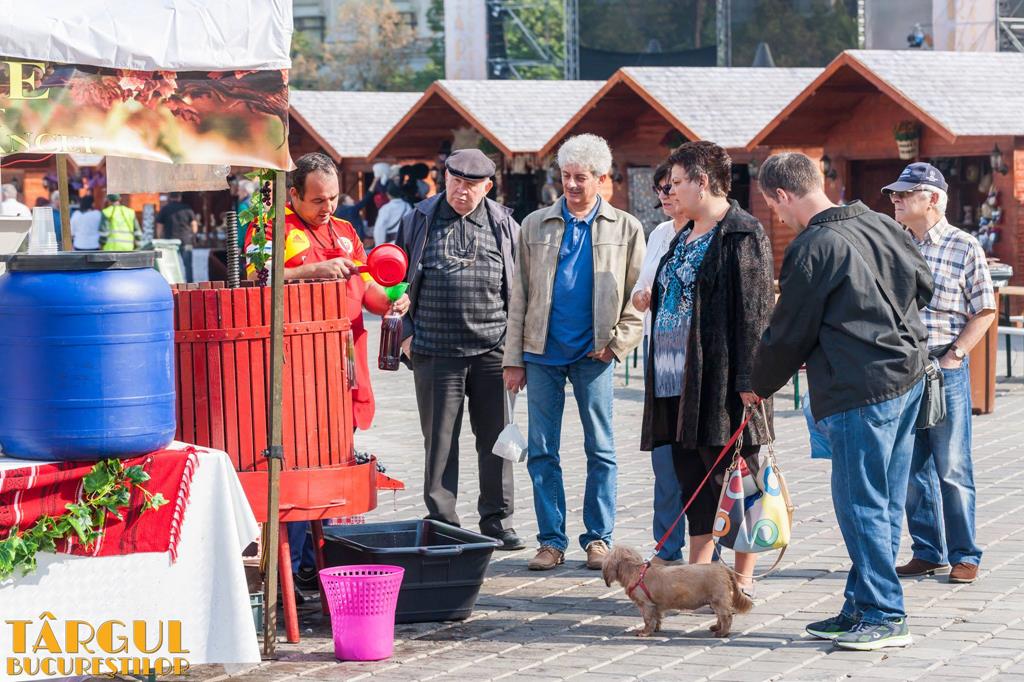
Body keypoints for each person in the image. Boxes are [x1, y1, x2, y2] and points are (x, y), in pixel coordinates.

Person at [751, 152, 933, 651]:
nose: (777, 217)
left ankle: (885, 614)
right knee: (882, 501)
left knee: (860, 505)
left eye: (774, 206)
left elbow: (789, 332)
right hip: (907, 374)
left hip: (860, 388)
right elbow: (924, 285)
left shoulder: (812, 246)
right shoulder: (881, 222)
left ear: (783, 194)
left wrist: (757, 384)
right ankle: (861, 605)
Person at [503, 133, 645, 571]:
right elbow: (519, 295)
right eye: (565, 176)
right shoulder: (534, 224)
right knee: (542, 450)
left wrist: (617, 344)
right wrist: (513, 358)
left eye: (581, 177)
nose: (571, 185)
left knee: (600, 449)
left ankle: (598, 539)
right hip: (541, 353)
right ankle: (551, 540)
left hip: (594, 354)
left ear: (601, 178)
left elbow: (639, 296)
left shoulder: (626, 227)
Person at [638, 141, 774, 593]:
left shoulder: (741, 233)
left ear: (702, 182)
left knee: (734, 476)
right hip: (674, 377)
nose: (670, 191)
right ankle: (699, 576)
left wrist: (751, 380)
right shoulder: (682, 235)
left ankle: (743, 577)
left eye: (677, 182)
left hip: (719, 381)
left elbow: (754, 314)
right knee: (691, 478)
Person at [394, 148, 523, 550]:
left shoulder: (504, 223)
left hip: (493, 349)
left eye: (471, 185)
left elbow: (522, 288)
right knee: (440, 441)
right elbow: (391, 278)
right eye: (455, 181)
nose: (461, 191)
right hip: (434, 350)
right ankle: (443, 521)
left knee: (496, 440)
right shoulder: (418, 219)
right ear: (444, 178)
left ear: (488, 186)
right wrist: (406, 334)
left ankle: (497, 520)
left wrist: (516, 349)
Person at [884, 162, 996, 585]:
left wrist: (955, 355)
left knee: (952, 466)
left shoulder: (964, 246)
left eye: (904, 193)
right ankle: (928, 552)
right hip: (903, 367)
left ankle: (964, 554)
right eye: (893, 194)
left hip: (945, 366)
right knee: (911, 468)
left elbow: (985, 309)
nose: (895, 199)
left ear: (931, 198)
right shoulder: (894, 243)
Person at [629, 161, 687, 565]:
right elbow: (640, 289)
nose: (664, 195)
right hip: (660, 349)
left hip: (692, 351)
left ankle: (710, 545)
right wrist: (641, 297)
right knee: (664, 455)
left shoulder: (712, 232)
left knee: (699, 456)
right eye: (659, 189)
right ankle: (667, 546)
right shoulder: (659, 233)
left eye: (671, 186)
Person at [157, 193, 199, 282]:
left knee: (170, 265)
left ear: (170, 197)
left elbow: (159, 226)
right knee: (188, 265)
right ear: (179, 197)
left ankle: (172, 283)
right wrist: (194, 236)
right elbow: (194, 224)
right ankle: (190, 283)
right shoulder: (187, 208)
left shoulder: (165, 209)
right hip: (186, 240)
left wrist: (159, 238)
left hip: (170, 242)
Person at [373, 181, 412, 246]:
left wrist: (379, 246)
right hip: (406, 244)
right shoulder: (407, 206)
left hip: (391, 245)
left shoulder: (385, 208)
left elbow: (379, 228)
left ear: (388, 194)